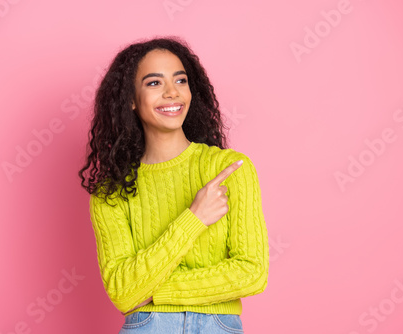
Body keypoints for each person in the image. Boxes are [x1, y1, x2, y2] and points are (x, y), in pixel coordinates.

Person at [78, 36, 269, 333]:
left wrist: (155, 293)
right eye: (154, 83)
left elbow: (252, 272)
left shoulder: (228, 168)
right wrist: (194, 218)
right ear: (130, 99)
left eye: (180, 81)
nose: (172, 93)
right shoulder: (111, 191)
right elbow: (122, 291)